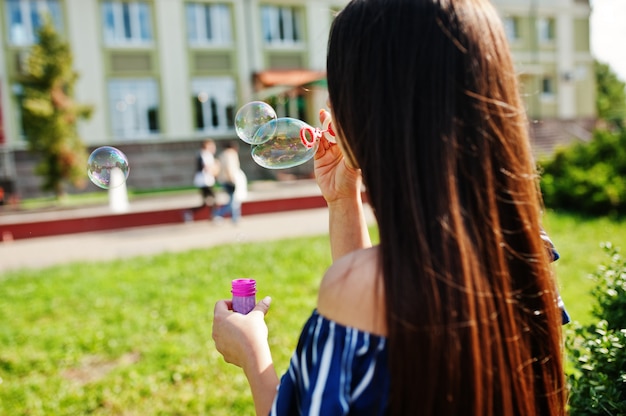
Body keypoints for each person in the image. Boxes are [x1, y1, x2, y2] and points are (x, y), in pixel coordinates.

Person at [212, 0, 568, 414]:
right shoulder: (525, 250)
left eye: (340, 87)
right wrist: (344, 200)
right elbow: (380, 301)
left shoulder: (364, 290)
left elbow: (368, 299)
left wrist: (253, 352)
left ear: (373, 110)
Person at [214, 141, 242, 224]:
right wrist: (231, 179)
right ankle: (219, 214)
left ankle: (235, 218)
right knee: (233, 200)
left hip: (223, 179)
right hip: (230, 179)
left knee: (232, 199)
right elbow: (229, 167)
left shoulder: (222, 155)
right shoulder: (231, 154)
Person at [193, 139, 219, 219]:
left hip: (201, 180)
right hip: (206, 180)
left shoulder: (200, 153)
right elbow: (207, 167)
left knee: (206, 201)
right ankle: (215, 216)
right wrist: (216, 168)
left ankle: (189, 212)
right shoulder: (206, 154)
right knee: (214, 199)